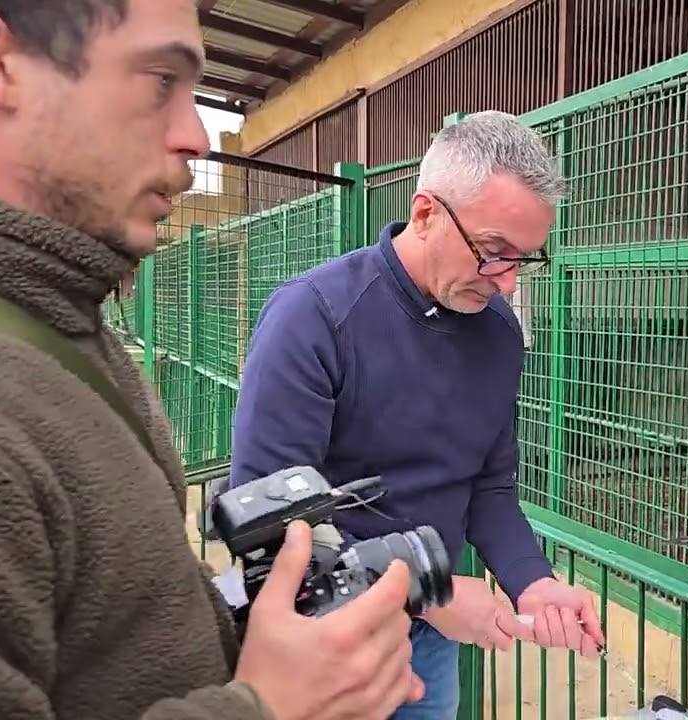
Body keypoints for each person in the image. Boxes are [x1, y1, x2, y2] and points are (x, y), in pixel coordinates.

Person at [0, 2, 422, 719]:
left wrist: (250, 642)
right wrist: (271, 708)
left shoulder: (46, 319)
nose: (196, 137)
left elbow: (113, 639)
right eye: (162, 79)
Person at [229, 110, 607, 719]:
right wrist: (428, 591)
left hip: (431, 641)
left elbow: (488, 483)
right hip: (323, 633)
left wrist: (531, 578)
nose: (508, 283)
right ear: (427, 212)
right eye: (493, 253)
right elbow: (270, 517)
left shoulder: (498, 331)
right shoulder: (316, 317)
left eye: (525, 261)